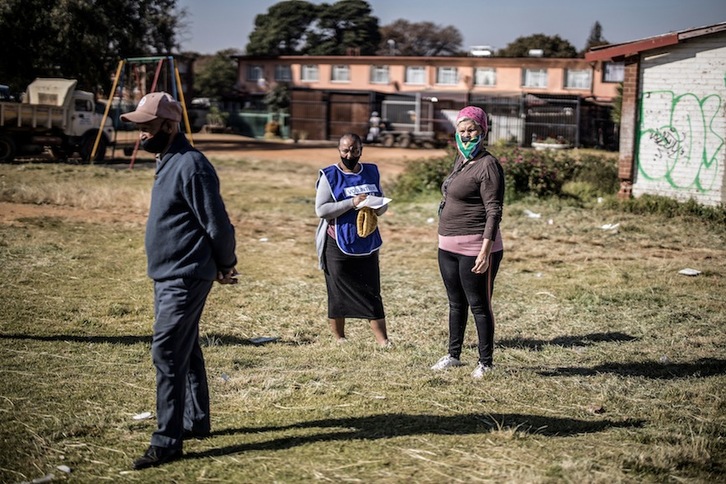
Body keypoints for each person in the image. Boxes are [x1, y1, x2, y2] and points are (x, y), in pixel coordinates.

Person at [120, 92, 238, 469]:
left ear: (169, 126)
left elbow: (216, 222)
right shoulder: (167, 159)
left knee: (167, 351)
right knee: (185, 349)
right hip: (168, 274)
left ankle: (167, 441)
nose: (140, 134)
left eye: (147, 126)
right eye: (138, 127)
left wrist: (226, 263)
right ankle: (195, 421)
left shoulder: (191, 165)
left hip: (186, 275)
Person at [431, 106, 504, 379]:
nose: (466, 136)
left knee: (479, 305)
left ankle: (485, 362)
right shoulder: (461, 160)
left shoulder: (488, 165)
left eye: (471, 130)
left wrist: (485, 250)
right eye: (461, 131)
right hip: (447, 246)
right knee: (455, 303)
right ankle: (453, 355)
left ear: (483, 131)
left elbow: (494, 210)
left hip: (476, 248)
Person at [315, 133, 389, 346]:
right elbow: (322, 210)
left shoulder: (371, 171)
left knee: (372, 290)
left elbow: (383, 206)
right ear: (339, 150)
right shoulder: (330, 175)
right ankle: (340, 338)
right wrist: (351, 203)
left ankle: (383, 340)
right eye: (346, 150)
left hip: (367, 242)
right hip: (337, 242)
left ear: (361, 150)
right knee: (337, 291)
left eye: (354, 150)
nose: (350, 154)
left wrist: (377, 204)